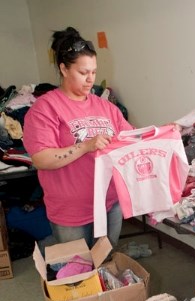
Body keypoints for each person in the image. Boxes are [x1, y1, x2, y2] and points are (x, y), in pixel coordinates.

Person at [23, 26, 135, 250]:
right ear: (64, 69)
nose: (90, 79)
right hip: (71, 211)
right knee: (77, 274)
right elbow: (41, 159)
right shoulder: (46, 108)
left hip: (108, 202)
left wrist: (163, 133)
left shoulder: (105, 107)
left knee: (106, 265)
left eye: (93, 72)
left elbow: (130, 139)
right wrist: (86, 146)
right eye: (83, 73)